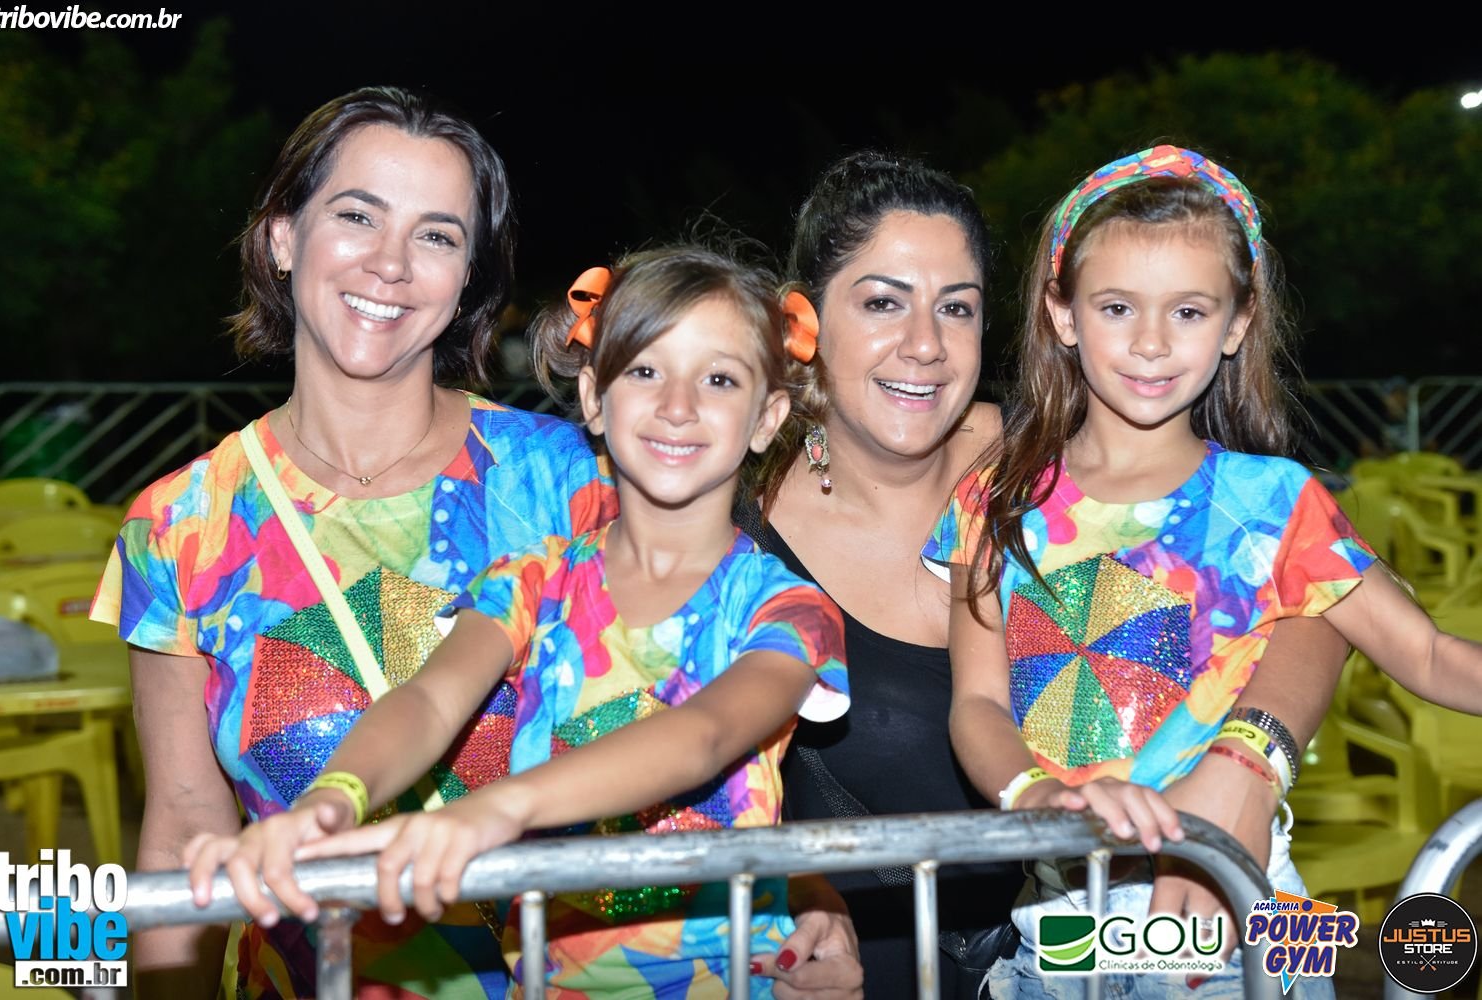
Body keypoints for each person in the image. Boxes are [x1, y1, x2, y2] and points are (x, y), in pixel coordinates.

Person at [741, 150, 1356, 999]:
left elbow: (1318, 601)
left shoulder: (1051, 466)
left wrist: (1250, 764)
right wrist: (794, 888)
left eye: (956, 307)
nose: (924, 345)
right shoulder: (731, 523)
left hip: (1141, 934)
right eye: (882, 302)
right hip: (868, 972)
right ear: (801, 323)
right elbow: (696, 766)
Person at [185, 245, 852, 999]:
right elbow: (430, 699)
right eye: (644, 370)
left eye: (719, 379)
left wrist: (494, 811)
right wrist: (332, 800)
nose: (677, 405)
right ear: (594, 397)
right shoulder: (530, 582)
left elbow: (704, 736)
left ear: (767, 417)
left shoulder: (785, 610)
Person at [88, 86, 618, 999]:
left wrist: (802, 901)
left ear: (467, 280)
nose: (391, 264)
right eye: (357, 216)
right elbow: (182, 827)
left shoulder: (570, 484)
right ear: (282, 238)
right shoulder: (179, 526)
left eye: (437, 236)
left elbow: (697, 727)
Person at [932, 144, 1482, 998]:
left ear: (1236, 324)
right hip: (1056, 941)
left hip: (1252, 930)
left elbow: (1430, 655)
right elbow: (976, 703)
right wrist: (1030, 793)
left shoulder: (1278, 502)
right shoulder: (994, 499)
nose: (1151, 342)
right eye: (1118, 306)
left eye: (1188, 311)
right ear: (1063, 314)